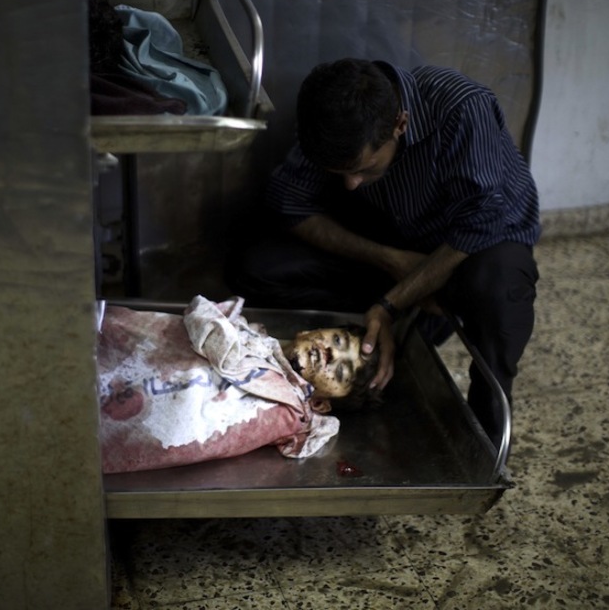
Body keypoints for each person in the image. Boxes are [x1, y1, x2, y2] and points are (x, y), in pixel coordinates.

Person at [225, 58, 540, 445]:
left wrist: (391, 303)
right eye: (340, 173)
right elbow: (287, 201)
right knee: (256, 266)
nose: (352, 184)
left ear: (400, 124)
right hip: (396, 250)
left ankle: (483, 438)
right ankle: (373, 348)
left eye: (365, 169)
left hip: (471, 259)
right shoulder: (335, 115)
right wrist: (391, 262)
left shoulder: (461, 107)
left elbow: (483, 222)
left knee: (498, 288)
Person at [97, 295, 380, 473]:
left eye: (341, 372)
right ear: (309, 331)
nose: (332, 354)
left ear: (319, 403)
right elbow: (198, 318)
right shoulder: (245, 332)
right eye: (338, 340)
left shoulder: (290, 411)